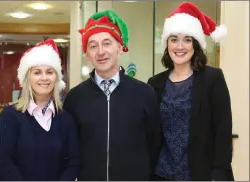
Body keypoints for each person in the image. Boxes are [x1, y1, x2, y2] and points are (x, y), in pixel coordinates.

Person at [63, 10, 161, 181]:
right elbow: (70, 148)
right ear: (87, 54)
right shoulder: (75, 98)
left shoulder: (145, 93)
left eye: (107, 43)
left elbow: (154, 143)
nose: (101, 52)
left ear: (120, 47)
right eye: (93, 46)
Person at [147, 2, 234, 181]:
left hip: (201, 174)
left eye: (187, 39)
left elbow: (223, 131)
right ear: (167, 44)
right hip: (161, 174)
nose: (180, 46)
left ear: (195, 45)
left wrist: (219, 173)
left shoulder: (212, 78)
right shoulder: (154, 83)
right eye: (174, 39)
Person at [0, 39, 80, 181]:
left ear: (56, 77)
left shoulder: (66, 119)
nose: (44, 78)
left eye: (50, 72)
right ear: (27, 78)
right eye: (37, 72)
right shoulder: (9, 116)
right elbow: (4, 163)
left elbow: (72, 163)